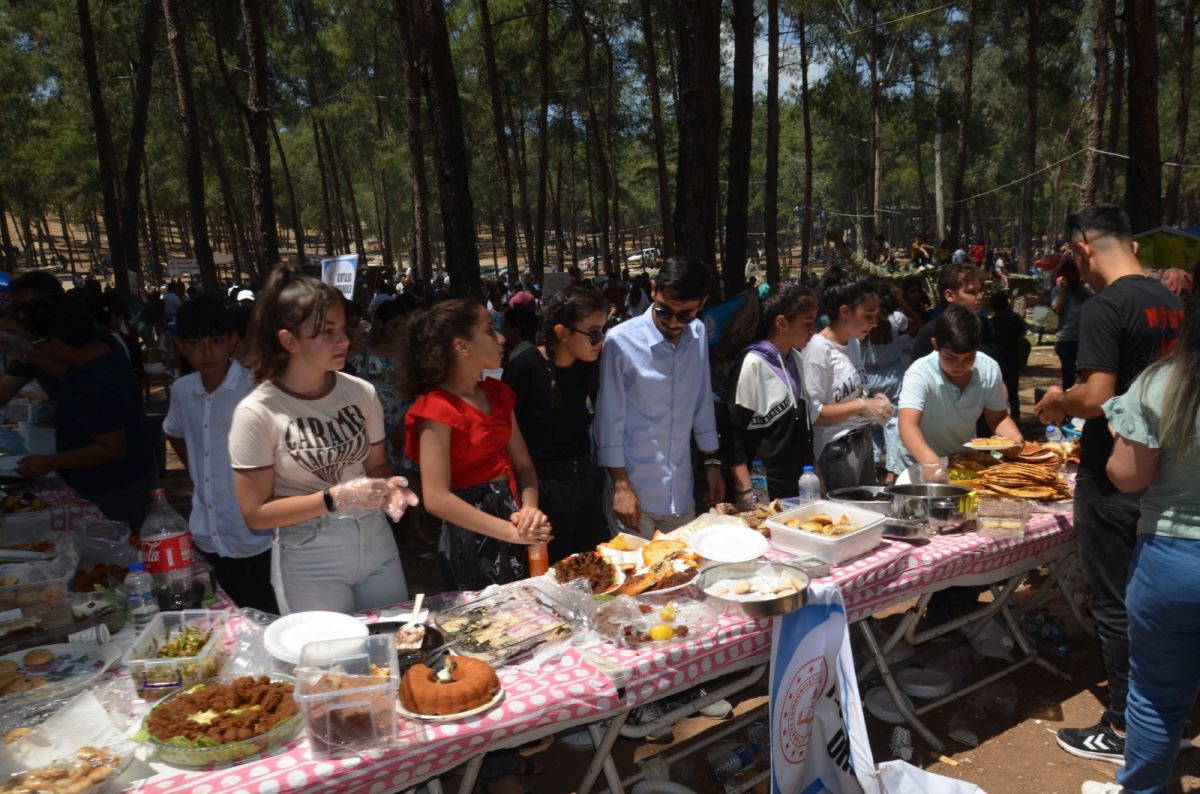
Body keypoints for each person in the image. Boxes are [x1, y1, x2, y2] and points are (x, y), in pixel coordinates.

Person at [1034, 205, 1184, 765]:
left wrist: (1056, 402)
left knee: (1114, 600)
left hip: (1112, 471)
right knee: (1147, 597)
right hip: (1163, 468)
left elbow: (1095, 398)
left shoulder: (1106, 308)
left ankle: (1123, 725)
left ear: (1084, 248)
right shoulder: (1172, 303)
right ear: (1135, 246)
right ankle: (1159, 704)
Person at [230, 266, 417, 615]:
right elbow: (255, 514)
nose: (344, 340)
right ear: (289, 341)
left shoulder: (361, 392)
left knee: (394, 647)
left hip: (376, 543)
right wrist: (334, 498)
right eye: (326, 332)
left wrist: (388, 486)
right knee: (334, 662)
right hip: (310, 556)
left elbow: (375, 464)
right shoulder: (257, 412)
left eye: (344, 328)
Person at [1080, 298, 1200, 794]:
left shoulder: (1165, 381)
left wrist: (1120, 437)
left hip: (1175, 558)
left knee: (1155, 695)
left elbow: (1128, 479)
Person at [403, 299, 551, 590]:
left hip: (516, 520)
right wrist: (510, 531)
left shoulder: (497, 393)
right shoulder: (436, 409)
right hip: (471, 534)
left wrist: (530, 510)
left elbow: (524, 467)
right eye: (488, 330)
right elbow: (436, 499)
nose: (500, 338)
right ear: (461, 347)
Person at [595, 256, 724, 536]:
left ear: (703, 302)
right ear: (653, 289)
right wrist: (621, 486)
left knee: (685, 572)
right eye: (665, 311)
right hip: (634, 494)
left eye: (686, 314)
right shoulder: (620, 341)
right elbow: (609, 419)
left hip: (681, 491)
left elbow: (702, 402)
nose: (675, 322)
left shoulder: (698, 334)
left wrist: (712, 462)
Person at [163, 297, 276, 613]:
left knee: (262, 613)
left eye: (216, 341)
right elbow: (173, 431)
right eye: (196, 343)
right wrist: (201, 472)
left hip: (254, 533)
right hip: (207, 528)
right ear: (181, 346)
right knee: (221, 618)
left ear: (233, 341)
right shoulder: (183, 390)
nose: (207, 352)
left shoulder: (256, 387)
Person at [13, 293, 155, 527]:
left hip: (113, 488)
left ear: (57, 343)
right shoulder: (103, 352)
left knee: (121, 550)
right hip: (129, 476)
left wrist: (49, 462)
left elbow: (111, 448)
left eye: (38, 343)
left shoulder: (91, 383)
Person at [502, 286, 608, 562]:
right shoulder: (525, 367)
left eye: (604, 331)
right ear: (562, 333)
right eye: (594, 333)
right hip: (542, 494)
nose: (601, 340)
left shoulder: (591, 364)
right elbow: (506, 436)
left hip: (585, 486)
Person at [892, 306, 1023, 479]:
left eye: (969, 358)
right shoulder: (919, 373)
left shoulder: (989, 369)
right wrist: (930, 462)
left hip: (961, 459)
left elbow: (997, 417)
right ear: (935, 345)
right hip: (918, 460)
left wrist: (1012, 439)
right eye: (951, 358)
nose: (960, 366)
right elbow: (908, 424)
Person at [726, 284, 818, 504]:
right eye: (807, 323)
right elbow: (733, 434)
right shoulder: (753, 363)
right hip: (764, 491)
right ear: (782, 323)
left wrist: (816, 476)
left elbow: (803, 428)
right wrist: (746, 491)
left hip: (798, 486)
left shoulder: (795, 358)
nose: (813, 331)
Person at [800, 273, 891, 492]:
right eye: (868, 315)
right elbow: (814, 415)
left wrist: (874, 401)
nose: (874, 323)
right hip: (837, 450)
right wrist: (862, 405)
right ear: (844, 312)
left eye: (877, 316)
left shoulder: (853, 343)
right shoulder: (817, 350)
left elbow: (855, 393)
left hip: (863, 440)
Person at [350, 298, 413, 473]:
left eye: (403, 325)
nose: (399, 331)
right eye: (395, 325)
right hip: (375, 418)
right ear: (380, 324)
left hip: (405, 416)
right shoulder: (365, 350)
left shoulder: (410, 350)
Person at [910, 264, 992, 360]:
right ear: (949, 296)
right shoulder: (930, 331)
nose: (980, 297)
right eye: (972, 292)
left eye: (980, 291)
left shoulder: (985, 325)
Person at [987, 291, 1028, 419]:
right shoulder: (1015, 319)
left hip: (997, 361)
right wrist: (1022, 360)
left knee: (998, 392)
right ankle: (1015, 417)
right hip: (1011, 361)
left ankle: (1002, 417)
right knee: (1013, 392)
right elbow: (1022, 341)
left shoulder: (991, 323)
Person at [1051, 258, 1090, 389]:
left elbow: (1096, 301)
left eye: (1075, 275)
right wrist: (1064, 291)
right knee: (1068, 374)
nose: (1072, 278)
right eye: (1069, 275)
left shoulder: (1085, 289)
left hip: (1085, 338)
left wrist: (1081, 287)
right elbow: (1056, 309)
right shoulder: (1058, 290)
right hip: (1066, 339)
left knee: (1086, 374)